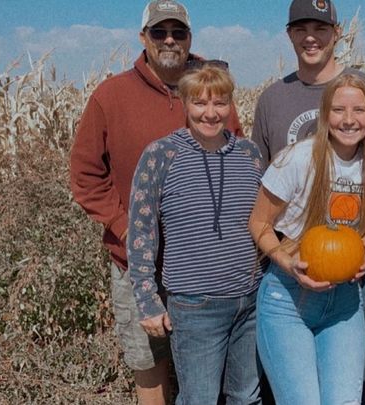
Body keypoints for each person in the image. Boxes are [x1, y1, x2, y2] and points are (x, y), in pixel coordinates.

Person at [69, 1, 243, 403]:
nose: (169, 40)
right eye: (159, 32)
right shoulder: (111, 95)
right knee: (149, 361)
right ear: (143, 37)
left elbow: (234, 157)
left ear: (189, 39)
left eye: (178, 32)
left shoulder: (211, 91)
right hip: (137, 263)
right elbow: (85, 174)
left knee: (210, 371)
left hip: (204, 264)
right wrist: (127, 228)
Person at [251, 1, 365, 401]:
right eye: (339, 110)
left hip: (345, 298)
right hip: (289, 296)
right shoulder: (296, 157)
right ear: (325, 115)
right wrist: (287, 262)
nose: (349, 119)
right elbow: (259, 222)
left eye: (359, 110)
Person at [128, 65, 263, 405]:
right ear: (185, 103)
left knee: (246, 396)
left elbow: (267, 221)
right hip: (194, 306)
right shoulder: (161, 155)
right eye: (200, 103)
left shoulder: (249, 154)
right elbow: (141, 231)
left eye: (220, 103)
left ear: (231, 104)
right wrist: (147, 299)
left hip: (250, 300)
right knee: (200, 398)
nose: (210, 113)